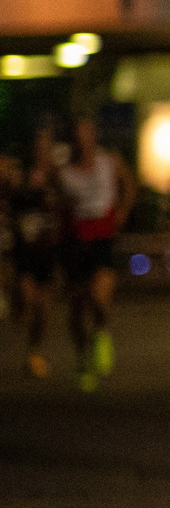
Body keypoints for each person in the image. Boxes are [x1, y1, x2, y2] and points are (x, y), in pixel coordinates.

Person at [56, 113, 135, 394]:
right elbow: (56, 206)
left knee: (98, 297)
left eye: (87, 132)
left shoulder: (109, 161)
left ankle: (101, 333)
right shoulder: (64, 172)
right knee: (77, 307)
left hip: (102, 236)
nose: (82, 139)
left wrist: (123, 209)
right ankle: (81, 358)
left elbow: (128, 183)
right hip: (76, 241)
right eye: (77, 134)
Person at [11, 125, 61, 378]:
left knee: (42, 309)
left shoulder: (58, 176)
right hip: (25, 251)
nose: (41, 151)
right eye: (37, 146)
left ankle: (34, 352)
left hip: (46, 252)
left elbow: (66, 207)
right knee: (27, 300)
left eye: (45, 146)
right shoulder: (20, 175)